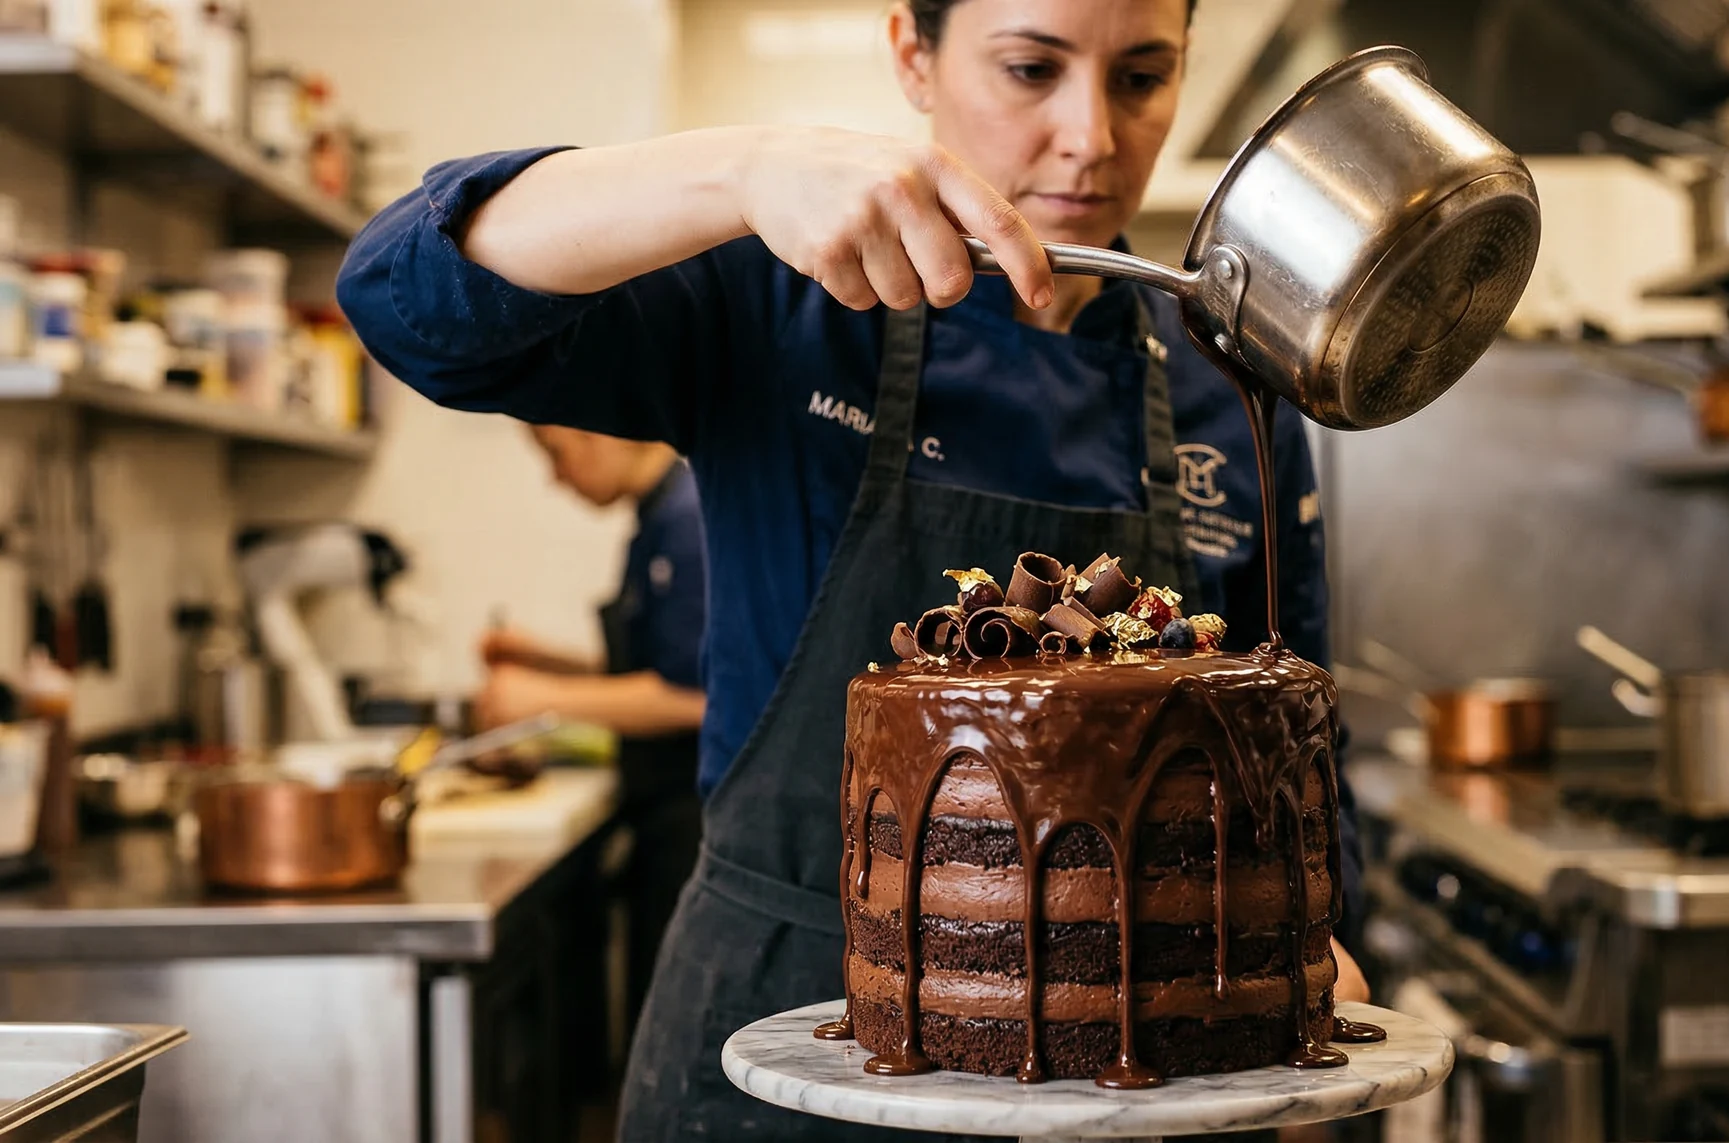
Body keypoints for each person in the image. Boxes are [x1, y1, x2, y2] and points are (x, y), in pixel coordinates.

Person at [339, 0, 1367, 1136]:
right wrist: (737, 170)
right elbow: (403, 299)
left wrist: (1313, 954)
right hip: (785, 1016)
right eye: (1030, 68)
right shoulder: (781, 300)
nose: (1088, 134)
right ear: (911, 56)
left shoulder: (1225, 378)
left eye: (1139, 76)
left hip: (1134, 1055)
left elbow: (1298, 745)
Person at [475, 425, 708, 1046]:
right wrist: (543, 660)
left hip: (691, 821)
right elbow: (649, 671)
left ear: (593, 431)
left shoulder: (687, 521)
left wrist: (540, 697)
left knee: (670, 1029)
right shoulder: (656, 519)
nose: (556, 477)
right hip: (661, 811)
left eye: (556, 454)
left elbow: (696, 695)